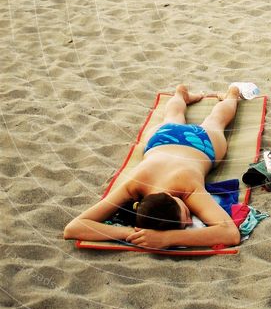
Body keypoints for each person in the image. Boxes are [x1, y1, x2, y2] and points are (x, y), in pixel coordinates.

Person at [63, 84, 243, 249]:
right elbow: (71, 229)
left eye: (186, 215)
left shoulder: (186, 186)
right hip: (161, 140)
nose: (189, 222)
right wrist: (133, 233)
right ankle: (182, 93)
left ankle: (232, 95)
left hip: (200, 144)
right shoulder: (134, 184)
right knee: (176, 117)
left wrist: (167, 238)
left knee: (216, 121)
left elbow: (230, 234)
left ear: (171, 198)